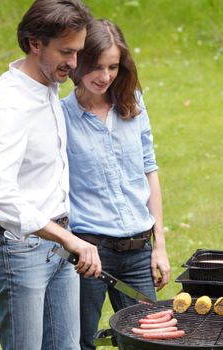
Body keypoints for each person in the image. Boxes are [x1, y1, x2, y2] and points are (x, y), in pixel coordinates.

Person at [0, 1, 101, 349]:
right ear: (35, 43)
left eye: (77, 51)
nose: (74, 63)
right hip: (21, 250)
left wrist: (65, 237)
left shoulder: (46, 85)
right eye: (66, 52)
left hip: (58, 242)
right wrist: (69, 240)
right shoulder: (9, 104)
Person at [61, 19, 170, 350]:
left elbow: (149, 169)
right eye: (95, 66)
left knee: (150, 341)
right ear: (78, 60)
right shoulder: (61, 114)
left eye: (113, 67)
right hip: (89, 253)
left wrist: (160, 245)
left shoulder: (132, 102)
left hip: (138, 251)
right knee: (81, 341)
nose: (104, 76)